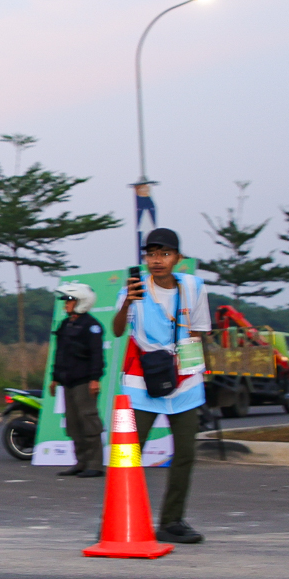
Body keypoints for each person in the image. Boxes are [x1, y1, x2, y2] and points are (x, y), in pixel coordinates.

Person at [113, 227, 208, 544]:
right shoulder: (134, 288)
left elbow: (198, 332)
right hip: (141, 382)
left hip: (185, 383)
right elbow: (117, 330)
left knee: (185, 454)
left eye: (164, 254)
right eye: (151, 254)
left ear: (178, 258)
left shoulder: (193, 287)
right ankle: (117, 519)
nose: (157, 260)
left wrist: (199, 376)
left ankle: (171, 521)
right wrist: (127, 302)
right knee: (128, 453)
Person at [51, 282, 106, 477]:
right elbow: (60, 353)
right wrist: (55, 378)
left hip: (84, 381)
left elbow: (97, 355)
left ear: (82, 302)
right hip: (68, 381)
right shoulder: (66, 324)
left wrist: (95, 379)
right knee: (73, 424)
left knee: (88, 421)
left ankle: (95, 464)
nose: (65, 304)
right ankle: (81, 462)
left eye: (69, 300)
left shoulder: (91, 326)